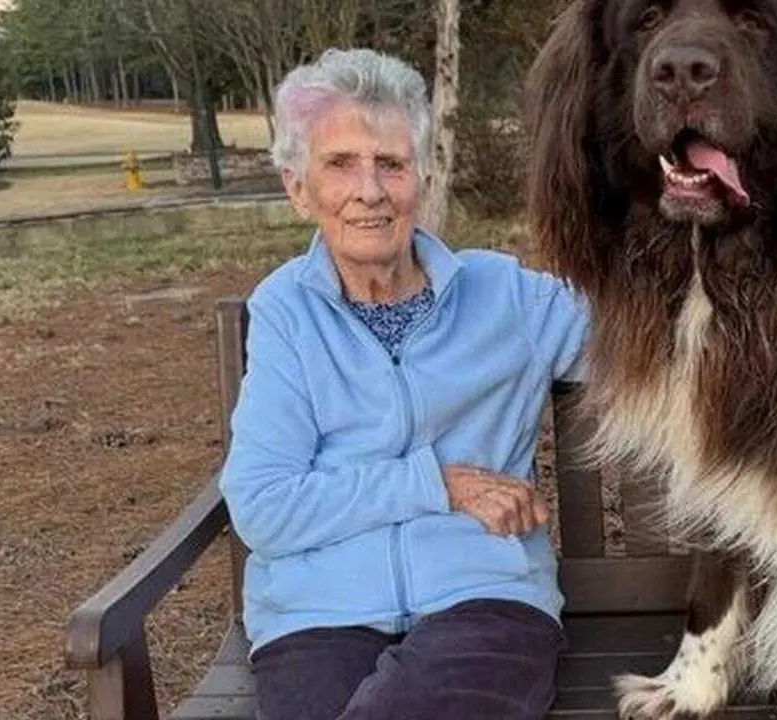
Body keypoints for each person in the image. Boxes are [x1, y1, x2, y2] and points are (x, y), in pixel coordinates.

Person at [218, 48, 590, 720]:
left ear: (422, 176)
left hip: (484, 598)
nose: (370, 190)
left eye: (390, 163)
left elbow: (651, 345)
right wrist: (438, 486)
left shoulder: (506, 295)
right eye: (340, 164)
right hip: (316, 612)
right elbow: (265, 505)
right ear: (297, 187)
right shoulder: (286, 313)